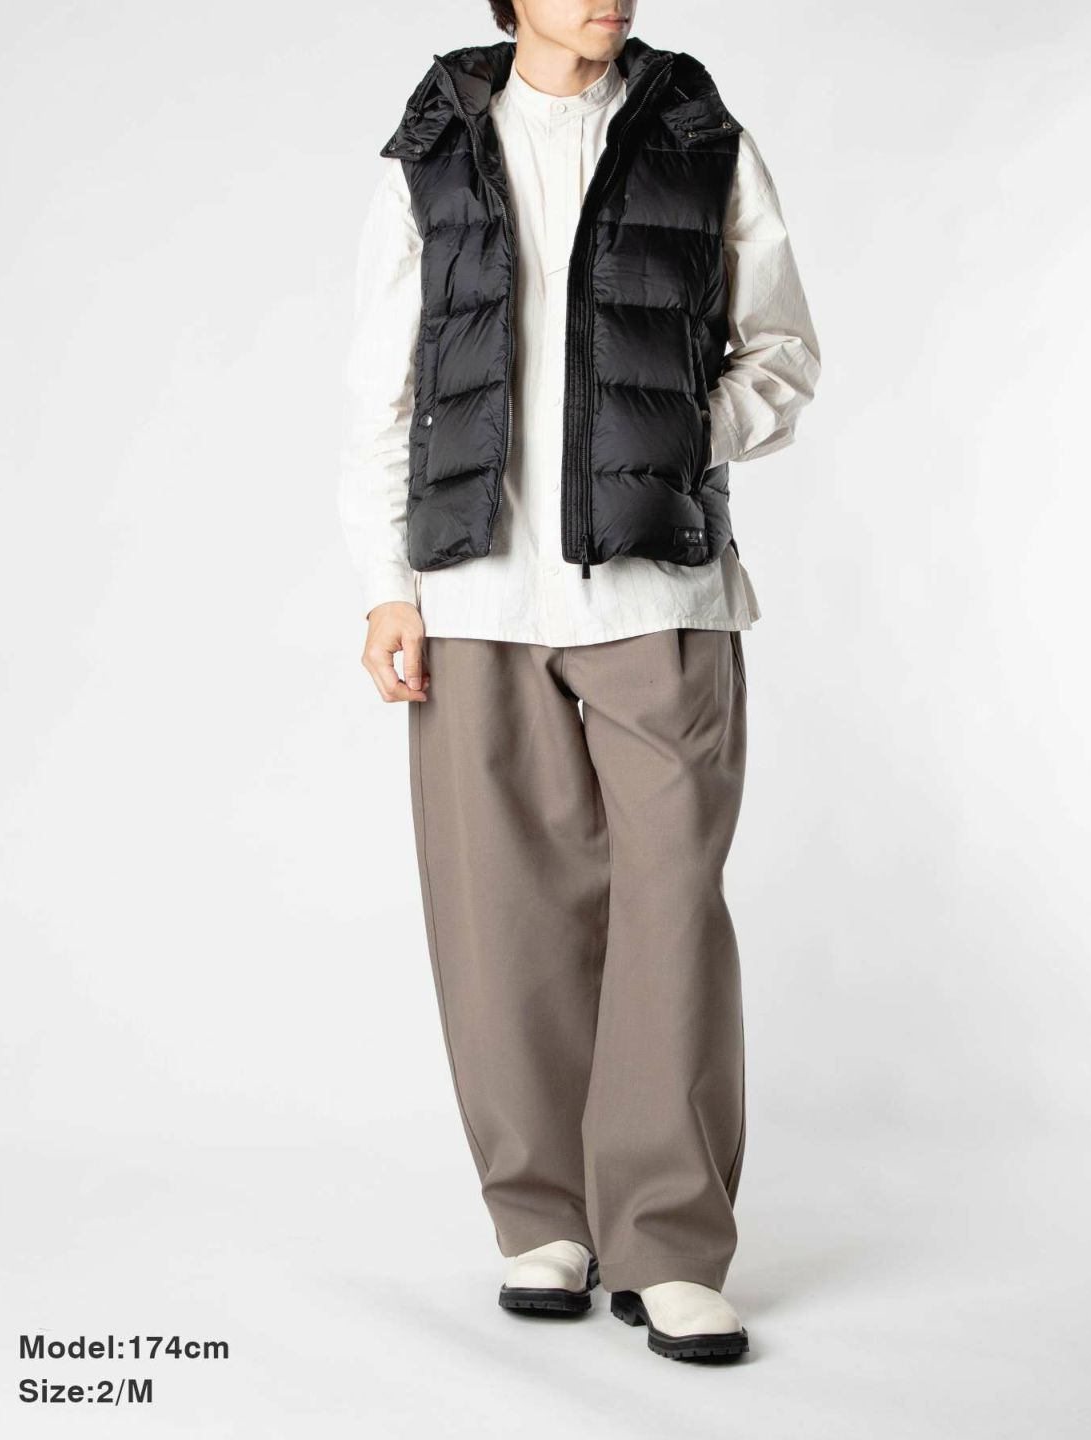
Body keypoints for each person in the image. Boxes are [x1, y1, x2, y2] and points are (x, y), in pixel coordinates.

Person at [338, 0, 819, 1364]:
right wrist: (387, 585)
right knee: (501, 917)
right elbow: (383, 388)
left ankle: (667, 1241)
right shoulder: (433, 148)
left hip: (659, 587)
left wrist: (680, 424)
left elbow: (785, 353)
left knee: (672, 911)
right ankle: (541, 1217)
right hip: (474, 593)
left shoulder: (700, 135)